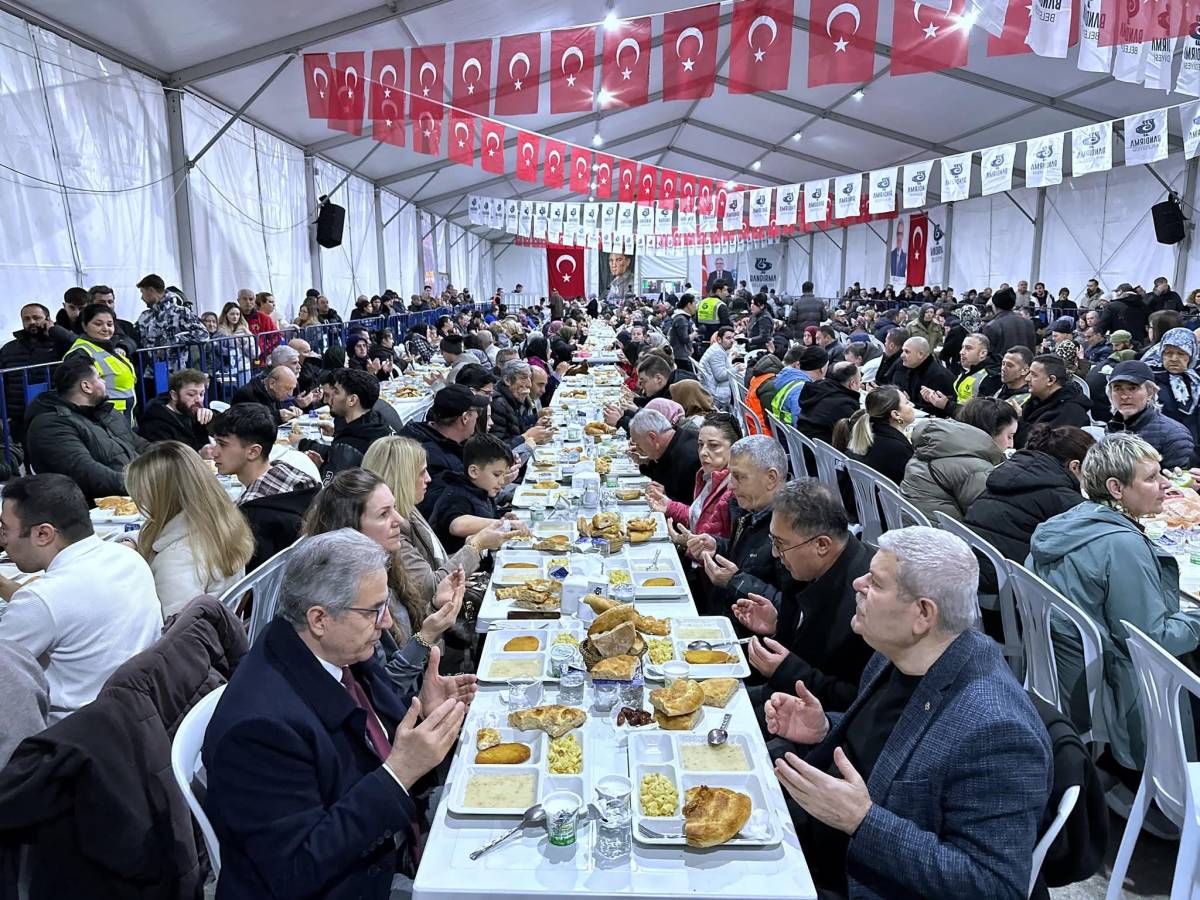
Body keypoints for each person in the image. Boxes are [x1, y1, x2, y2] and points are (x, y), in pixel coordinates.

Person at [767, 526, 1052, 898]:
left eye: (876, 583)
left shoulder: (995, 729)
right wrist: (824, 728)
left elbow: (995, 886)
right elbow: (893, 747)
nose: (858, 584)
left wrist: (862, 821)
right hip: (813, 840)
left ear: (922, 614)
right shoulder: (897, 656)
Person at [202, 529, 470, 899]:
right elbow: (295, 869)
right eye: (374, 611)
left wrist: (425, 712)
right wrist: (401, 773)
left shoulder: (335, 653)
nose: (387, 622)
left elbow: (374, 740)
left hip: (387, 845)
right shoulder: (258, 729)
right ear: (319, 619)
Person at [1030, 434, 1200, 772]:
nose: (1165, 484)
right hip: (1120, 688)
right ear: (1116, 488)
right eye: (1151, 477)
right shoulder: (1122, 545)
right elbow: (1154, 640)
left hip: (1068, 673)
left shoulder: (1069, 522)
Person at [0, 474, 162, 721]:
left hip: (69, 738)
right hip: (137, 716)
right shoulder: (129, 558)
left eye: (4, 529)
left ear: (43, 534)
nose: (3, 540)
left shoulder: (40, 601)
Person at [303, 472, 473, 695]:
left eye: (394, 508)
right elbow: (382, 692)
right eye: (384, 514)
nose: (400, 521)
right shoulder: (344, 594)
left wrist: (433, 607)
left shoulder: (387, 565)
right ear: (352, 527)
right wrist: (427, 637)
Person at [736, 479, 874, 712]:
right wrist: (778, 626)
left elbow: (857, 701)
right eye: (772, 541)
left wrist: (788, 671)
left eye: (780, 544)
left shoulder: (866, 602)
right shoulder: (805, 567)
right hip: (783, 694)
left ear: (821, 545)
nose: (774, 554)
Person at [363, 436, 512, 607]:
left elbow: (436, 564)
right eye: (421, 472)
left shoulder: (409, 510)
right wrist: (475, 547)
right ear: (402, 477)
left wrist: (475, 546)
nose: (428, 478)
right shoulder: (391, 531)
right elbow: (430, 587)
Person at [125, 441, 253, 618]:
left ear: (162, 498)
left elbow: (174, 634)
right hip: (220, 632)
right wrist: (129, 540)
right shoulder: (221, 522)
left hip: (190, 639)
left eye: (142, 496)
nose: (140, 503)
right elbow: (155, 532)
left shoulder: (176, 559)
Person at [964, 424, 1093, 593]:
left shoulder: (1008, 471)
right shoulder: (1063, 498)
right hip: (1003, 586)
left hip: (969, 566)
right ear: (1075, 467)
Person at [684, 435, 789, 614]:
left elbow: (792, 610)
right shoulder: (748, 509)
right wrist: (716, 546)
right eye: (731, 475)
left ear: (771, 478)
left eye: (739, 477)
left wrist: (735, 581)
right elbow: (745, 557)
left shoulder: (792, 528)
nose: (730, 486)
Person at [24, 352, 148, 504]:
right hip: (94, 511)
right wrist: (145, 484)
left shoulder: (106, 412)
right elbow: (88, 473)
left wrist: (174, 459)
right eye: (100, 378)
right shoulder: (50, 425)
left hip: (135, 495)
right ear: (86, 386)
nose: (104, 383)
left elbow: (140, 445)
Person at [211, 403, 319, 570]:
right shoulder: (300, 483)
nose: (214, 453)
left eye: (222, 444)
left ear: (253, 452)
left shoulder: (254, 517)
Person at [901, 397, 1017, 521]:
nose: (1011, 444)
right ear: (989, 432)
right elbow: (987, 516)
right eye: (1009, 436)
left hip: (910, 526)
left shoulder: (935, 444)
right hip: (936, 535)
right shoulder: (975, 469)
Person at [400, 384, 491, 519]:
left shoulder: (429, 435)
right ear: (465, 417)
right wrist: (488, 483)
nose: (478, 416)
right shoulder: (432, 456)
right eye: (477, 413)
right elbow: (448, 509)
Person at [647, 412, 736, 546]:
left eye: (714, 445)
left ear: (734, 448)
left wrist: (688, 544)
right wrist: (669, 505)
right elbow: (697, 518)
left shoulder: (734, 489)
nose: (703, 452)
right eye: (700, 444)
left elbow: (721, 550)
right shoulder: (707, 475)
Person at [292, 367, 395, 481]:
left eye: (336, 392)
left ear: (352, 400)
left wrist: (320, 468)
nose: (327, 400)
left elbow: (332, 492)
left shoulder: (350, 444)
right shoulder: (376, 421)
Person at [0, 303, 76, 443]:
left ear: (48, 319)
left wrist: (55, 330)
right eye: (26, 319)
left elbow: (79, 345)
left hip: (54, 412)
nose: (32, 322)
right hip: (19, 415)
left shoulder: (60, 343)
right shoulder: (8, 348)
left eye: (36, 317)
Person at [429, 434, 516, 554]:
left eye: (503, 475)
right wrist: (505, 524)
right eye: (496, 474)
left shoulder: (482, 489)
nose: (501, 481)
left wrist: (502, 517)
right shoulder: (456, 495)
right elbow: (457, 525)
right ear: (474, 471)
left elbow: (485, 516)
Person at [1103, 359, 1194, 468]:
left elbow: (1179, 481)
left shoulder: (1174, 434)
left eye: (1132, 388)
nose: (1124, 396)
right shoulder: (1112, 427)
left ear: (1150, 392)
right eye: (1117, 388)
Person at [832, 385, 916, 485]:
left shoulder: (868, 433)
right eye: (907, 403)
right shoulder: (898, 449)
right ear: (896, 414)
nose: (912, 405)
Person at [67, 303, 138, 413]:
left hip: (122, 417)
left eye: (110, 324)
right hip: (104, 419)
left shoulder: (110, 346)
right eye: (98, 324)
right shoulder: (80, 353)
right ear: (84, 326)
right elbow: (79, 395)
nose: (105, 329)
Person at [628, 408, 703, 508]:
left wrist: (666, 496)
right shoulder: (676, 439)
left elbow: (695, 509)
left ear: (652, 437)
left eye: (638, 443)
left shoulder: (690, 458)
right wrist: (646, 463)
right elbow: (662, 473)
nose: (637, 448)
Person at [1015, 354, 1092, 448]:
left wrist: (1018, 420)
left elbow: (1042, 446)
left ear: (1051, 380)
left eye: (1033, 375)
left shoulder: (1070, 412)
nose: (1027, 379)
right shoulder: (1036, 400)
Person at [921, 332, 1000, 417]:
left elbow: (979, 415)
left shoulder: (990, 377)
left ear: (983, 353)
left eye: (968, 348)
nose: (961, 352)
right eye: (962, 347)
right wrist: (936, 398)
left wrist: (947, 405)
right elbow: (959, 399)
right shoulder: (968, 370)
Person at [138, 368, 214, 452]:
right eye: (191, 394)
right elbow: (165, 460)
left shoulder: (192, 412)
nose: (198, 400)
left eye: (201, 394)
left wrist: (210, 419)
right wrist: (199, 454)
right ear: (174, 395)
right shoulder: (155, 423)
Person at [1152, 327, 1200, 447]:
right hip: (1162, 447)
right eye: (1168, 353)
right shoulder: (1150, 380)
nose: (1174, 359)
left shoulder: (1196, 380)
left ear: (1191, 355)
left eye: (1181, 353)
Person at [489, 360, 551, 453]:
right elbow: (497, 449)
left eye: (529, 378)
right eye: (524, 378)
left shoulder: (515, 398)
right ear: (507, 380)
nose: (529, 384)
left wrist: (536, 428)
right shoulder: (497, 403)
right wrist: (528, 436)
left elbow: (517, 431)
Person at [796, 361, 862, 445]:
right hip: (820, 455)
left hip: (803, 447)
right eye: (860, 381)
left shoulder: (816, 390)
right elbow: (853, 439)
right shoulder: (843, 405)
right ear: (852, 384)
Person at [891, 336, 956, 416]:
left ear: (920, 354)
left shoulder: (939, 376)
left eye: (907, 352)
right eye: (902, 351)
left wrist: (909, 403)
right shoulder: (909, 367)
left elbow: (939, 411)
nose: (902, 355)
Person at [770, 345, 829, 427]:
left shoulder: (789, 378)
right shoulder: (801, 389)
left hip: (782, 433)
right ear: (822, 369)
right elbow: (800, 425)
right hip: (788, 438)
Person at [230, 364, 300, 426]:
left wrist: (290, 411)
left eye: (293, 389)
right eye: (288, 388)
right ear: (272, 383)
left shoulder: (275, 393)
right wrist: (278, 416)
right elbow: (248, 423)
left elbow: (276, 412)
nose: (290, 394)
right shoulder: (246, 394)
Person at [983, 286, 1039, 356]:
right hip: (1025, 365)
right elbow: (1032, 350)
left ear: (994, 306)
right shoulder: (1029, 323)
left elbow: (987, 355)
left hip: (1001, 366)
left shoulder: (992, 326)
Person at [698, 326, 738, 410]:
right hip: (716, 395)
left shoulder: (717, 348)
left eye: (733, 338)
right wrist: (737, 369)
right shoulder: (717, 352)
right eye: (728, 338)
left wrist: (730, 360)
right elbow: (720, 376)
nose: (732, 341)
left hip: (710, 388)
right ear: (719, 339)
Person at [667, 294, 698, 372]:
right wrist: (696, 333)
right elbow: (684, 339)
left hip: (682, 355)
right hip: (681, 357)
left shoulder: (683, 317)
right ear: (689, 304)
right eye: (695, 303)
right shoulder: (681, 319)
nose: (696, 306)